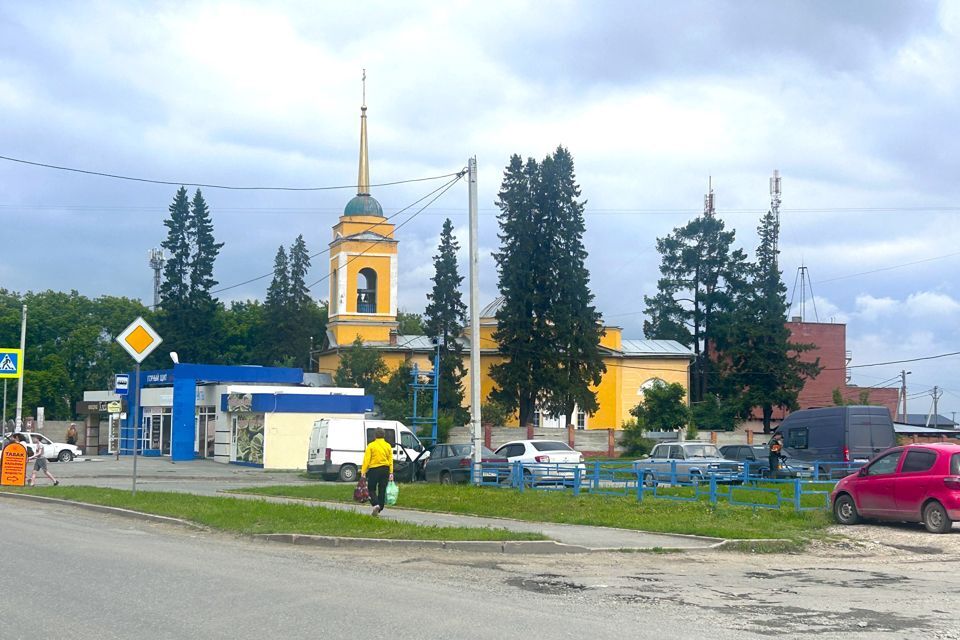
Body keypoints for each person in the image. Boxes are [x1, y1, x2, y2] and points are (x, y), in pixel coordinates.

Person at [360, 428, 393, 516]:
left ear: (375, 435)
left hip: (374, 469)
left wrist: (363, 471)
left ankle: (375, 504)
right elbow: (390, 460)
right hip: (385, 469)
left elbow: (367, 459)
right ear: (384, 435)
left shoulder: (371, 445)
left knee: (371, 488)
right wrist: (391, 472)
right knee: (382, 488)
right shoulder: (388, 446)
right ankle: (380, 507)